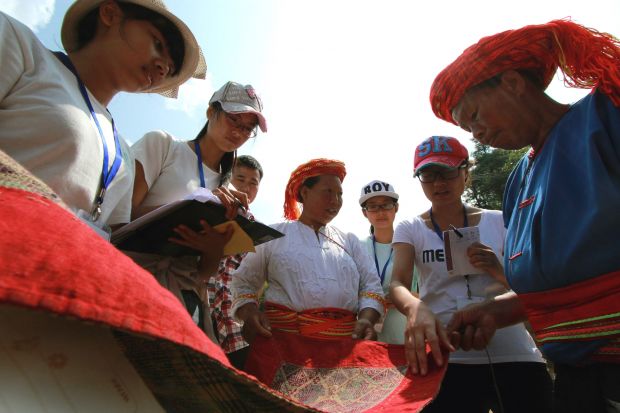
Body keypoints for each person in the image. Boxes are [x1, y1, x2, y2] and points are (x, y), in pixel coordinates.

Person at [429, 19, 620, 412]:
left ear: (514, 83)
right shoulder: (519, 179)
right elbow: (557, 285)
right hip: (575, 373)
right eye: (468, 128)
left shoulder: (605, 116)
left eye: (476, 115)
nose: (477, 132)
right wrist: (497, 311)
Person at [0, 0, 205, 237]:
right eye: (157, 43)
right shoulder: (21, 46)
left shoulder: (123, 153)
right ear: (110, 14)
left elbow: (114, 234)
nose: (162, 68)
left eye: (169, 69)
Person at [389, 136, 552, 412]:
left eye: (448, 173)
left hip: (512, 350)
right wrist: (415, 308)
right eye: (428, 176)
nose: (439, 184)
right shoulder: (410, 227)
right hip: (446, 355)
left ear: (466, 172)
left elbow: (532, 286)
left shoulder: (501, 220)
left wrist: (497, 270)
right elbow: (397, 283)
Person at [128, 81, 267, 339]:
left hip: (185, 302)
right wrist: (197, 202)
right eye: (234, 119)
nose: (239, 132)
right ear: (210, 112)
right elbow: (121, 216)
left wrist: (214, 248)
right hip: (133, 285)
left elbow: (203, 273)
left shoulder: (225, 190)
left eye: (248, 128)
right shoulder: (163, 146)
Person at [231, 158, 385, 345]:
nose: (335, 201)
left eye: (340, 194)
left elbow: (371, 287)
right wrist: (250, 313)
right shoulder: (273, 236)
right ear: (304, 192)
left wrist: (367, 319)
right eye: (328, 192)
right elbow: (243, 283)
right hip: (284, 346)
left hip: (343, 348)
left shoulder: (350, 242)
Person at [207, 155, 264, 368]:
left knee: (238, 369)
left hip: (233, 313)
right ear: (228, 179)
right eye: (240, 179)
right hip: (203, 299)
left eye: (253, 183)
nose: (247, 187)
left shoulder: (258, 229)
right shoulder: (208, 206)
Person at [358, 179, 419, 344]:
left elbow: (431, 293)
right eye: (373, 206)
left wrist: (407, 297)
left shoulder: (412, 246)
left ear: (396, 208)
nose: (380, 212)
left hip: (405, 329)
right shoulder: (356, 247)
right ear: (365, 213)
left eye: (386, 205)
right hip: (368, 331)